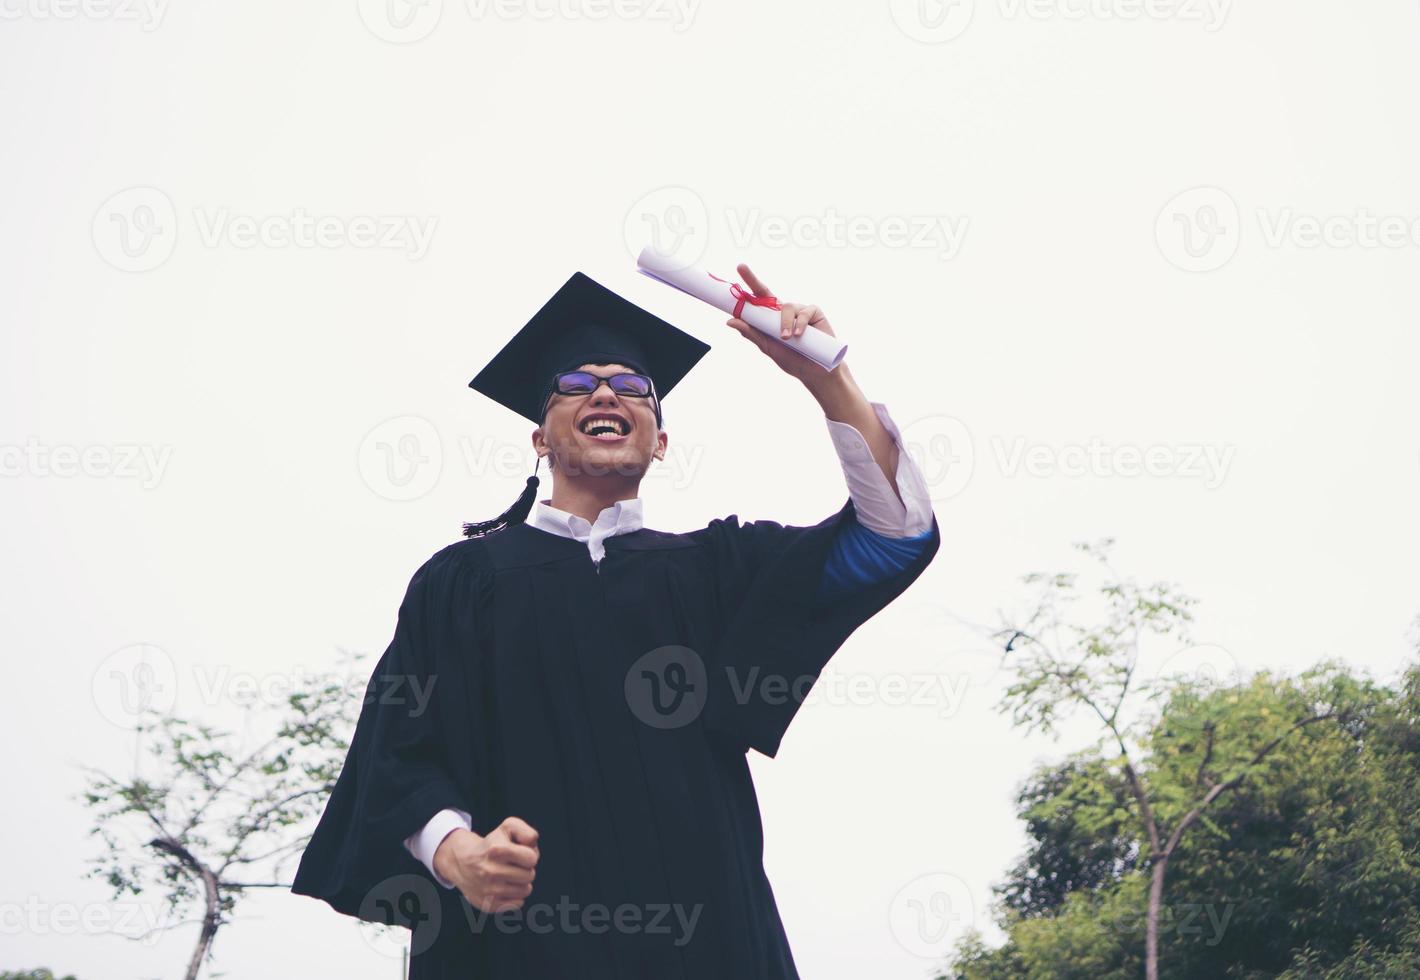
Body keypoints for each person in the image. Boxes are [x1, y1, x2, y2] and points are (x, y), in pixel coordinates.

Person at [291, 263, 941, 978]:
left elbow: (893, 537)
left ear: (659, 442)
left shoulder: (717, 569)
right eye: (576, 384)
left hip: (711, 946)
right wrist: (458, 854)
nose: (605, 392)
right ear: (540, 438)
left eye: (634, 387)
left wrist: (827, 380)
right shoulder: (462, 582)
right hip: (517, 951)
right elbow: (396, 755)